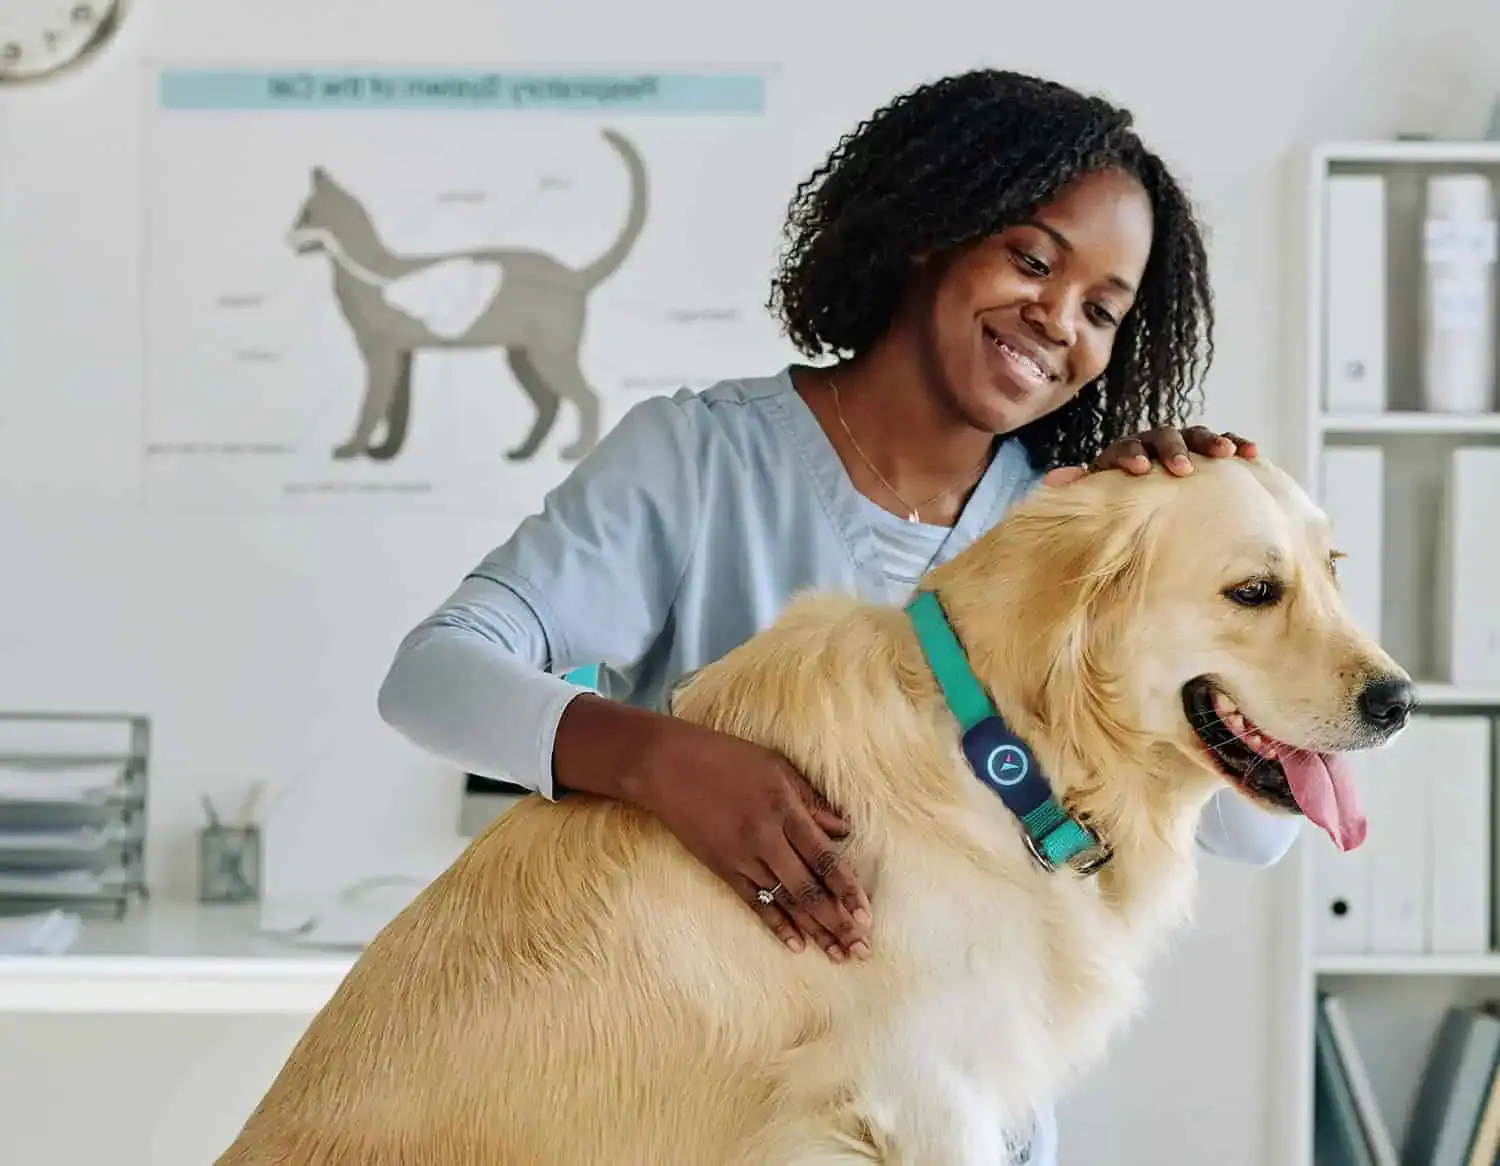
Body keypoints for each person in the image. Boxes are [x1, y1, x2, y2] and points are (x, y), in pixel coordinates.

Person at [376, 68, 1299, 1166]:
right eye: (1032, 258)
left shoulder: (1083, 537)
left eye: (1102, 308)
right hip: (708, 1113)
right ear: (929, 230)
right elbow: (433, 675)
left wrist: (1215, 559)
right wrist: (663, 762)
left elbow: (1258, 831)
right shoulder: (702, 460)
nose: (1058, 318)